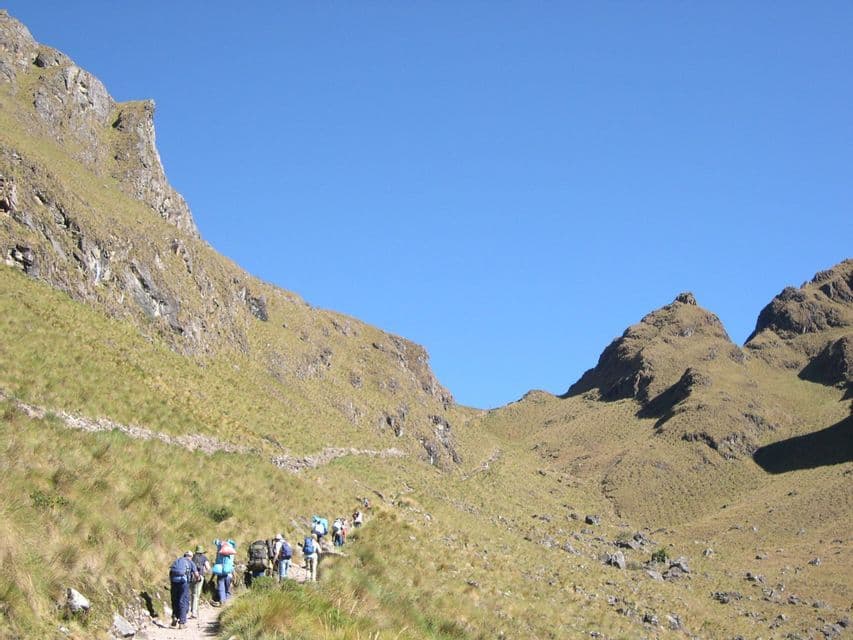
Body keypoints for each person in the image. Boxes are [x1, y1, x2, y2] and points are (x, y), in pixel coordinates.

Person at [169, 551, 199, 629]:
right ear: (191, 556)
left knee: (175, 600)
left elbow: (171, 572)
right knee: (183, 600)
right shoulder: (190, 562)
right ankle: (182, 623)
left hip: (174, 582)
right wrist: (198, 579)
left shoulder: (177, 560)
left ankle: (175, 617)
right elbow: (196, 575)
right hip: (184, 583)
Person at [212, 538, 236, 605]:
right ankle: (227, 601)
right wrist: (235, 577)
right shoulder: (230, 558)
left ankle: (222, 601)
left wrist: (211, 578)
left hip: (220, 574)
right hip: (229, 575)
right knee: (227, 589)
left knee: (221, 588)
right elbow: (232, 568)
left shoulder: (219, 557)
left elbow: (215, 569)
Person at [189, 545, 210, 620]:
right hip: (200, 577)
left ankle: (191, 610)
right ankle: (194, 612)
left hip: (191, 576)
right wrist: (205, 571)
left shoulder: (192, 557)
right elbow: (208, 568)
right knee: (196, 595)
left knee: (192, 594)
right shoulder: (204, 558)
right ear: (202, 552)